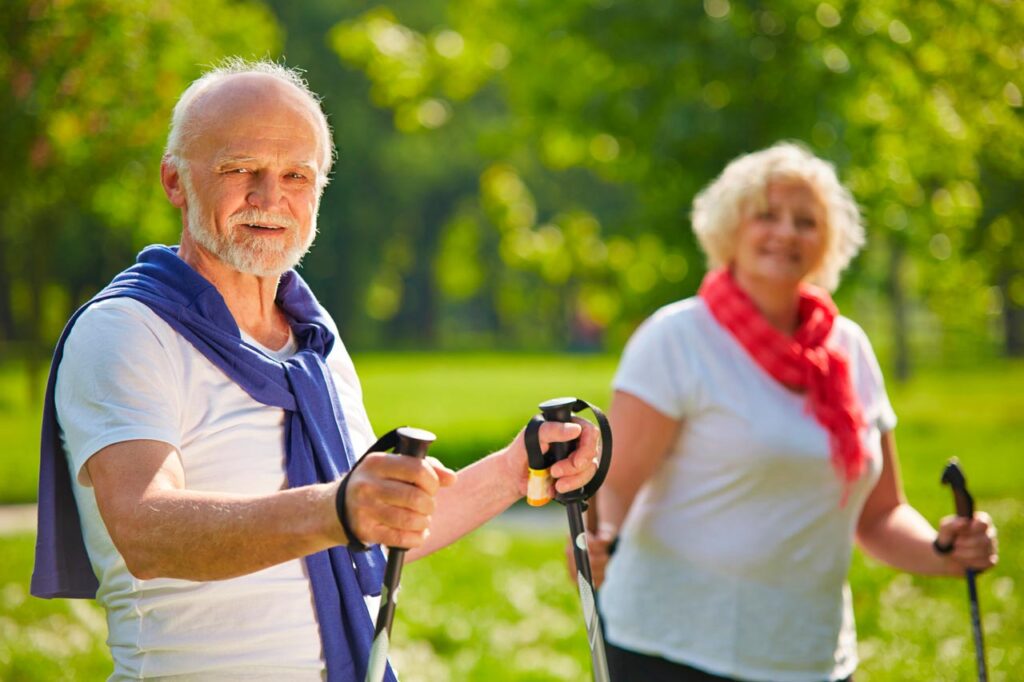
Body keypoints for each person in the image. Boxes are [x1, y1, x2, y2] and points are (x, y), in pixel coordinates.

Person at [31, 58, 600, 681]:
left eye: (296, 175)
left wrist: (520, 467)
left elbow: (374, 531)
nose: (269, 198)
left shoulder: (313, 342)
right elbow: (145, 529)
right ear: (175, 181)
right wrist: (336, 509)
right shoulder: (127, 329)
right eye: (237, 168)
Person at [585, 143, 999, 682]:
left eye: (806, 222)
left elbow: (877, 515)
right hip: (673, 645)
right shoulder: (677, 338)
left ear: (827, 242)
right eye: (767, 215)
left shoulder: (848, 349)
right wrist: (598, 540)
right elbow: (615, 485)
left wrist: (944, 550)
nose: (786, 233)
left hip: (809, 653)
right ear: (730, 229)